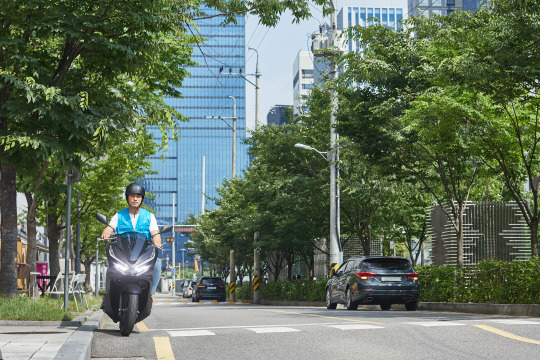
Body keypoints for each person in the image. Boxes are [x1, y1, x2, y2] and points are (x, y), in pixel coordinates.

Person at [101, 182, 163, 295]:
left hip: (143, 253)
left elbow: (155, 233)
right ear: (127, 198)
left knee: (157, 262)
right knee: (111, 266)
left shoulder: (149, 216)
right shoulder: (118, 215)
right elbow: (109, 227)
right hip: (123, 252)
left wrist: (157, 243)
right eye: (132, 196)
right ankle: (108, 292)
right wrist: (106, 233)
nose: (135, 199)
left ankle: (151, 293)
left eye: (138, 196)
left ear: (142, 199)